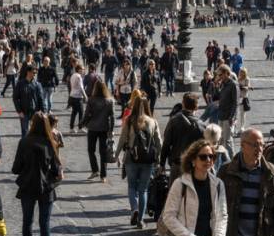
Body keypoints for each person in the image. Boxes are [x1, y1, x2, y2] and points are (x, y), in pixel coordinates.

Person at [12, 111, 63, 236]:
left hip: (27, 185)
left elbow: (16, 168)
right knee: (44, 221)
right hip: (46, 187)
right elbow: (55, 169)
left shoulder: (24, 142)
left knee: (27, 220)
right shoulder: (50, 142)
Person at [118, 95, 162, 228]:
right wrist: (159, 160)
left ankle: (134, 209)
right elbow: (159, 142)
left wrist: (116, 155)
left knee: (132, 187)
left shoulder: (130, 120)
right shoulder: (153, 121)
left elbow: (122, 138)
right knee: (143, 190)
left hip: (131, 158)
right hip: (147, 160)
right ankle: (141, 220)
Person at [160, 93, 206, 172]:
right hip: (193, 165)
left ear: (183, 104)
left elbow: (166, 144)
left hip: (177, 163)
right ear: (196, 107)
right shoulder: (201, 125)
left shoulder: (173, 121)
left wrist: (162, 163)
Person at [84, 80, 115, 182]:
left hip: (92, 128)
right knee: (103, 152)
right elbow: (112, 117)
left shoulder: (91, 100)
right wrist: (111, 129)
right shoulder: (110, 101)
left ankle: (95, 170)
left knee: (91, 150)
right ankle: (103, 175)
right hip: (104, 128)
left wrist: (82, 123)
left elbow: (87, 114)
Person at [13, 64, 45, 138]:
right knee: (25, 132)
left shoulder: (37, 84)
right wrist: (19, 111)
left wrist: (43, 112)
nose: (34, 75)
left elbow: (41, 99)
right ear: (28, 72)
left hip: (36, 112)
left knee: (36, 132)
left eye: (35, 73)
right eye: (33, 73)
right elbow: (15, 98)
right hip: (24, 112)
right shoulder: (20, 84)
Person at [216, 65, 239, 156]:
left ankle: (233, 162)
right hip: (221, 115)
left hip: (228, 117)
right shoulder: (223, 84)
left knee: (227, 141)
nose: (219, 77)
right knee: (220, 140)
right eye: (218, 75)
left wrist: (232, 117)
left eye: (220, 74)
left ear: (226, 73)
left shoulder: (233, 84)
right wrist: (217, 87)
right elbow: (218, 97)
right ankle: (222, 163)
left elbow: (235, 102)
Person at [68, 63, 87, 132]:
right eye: (82, 69)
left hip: (72, 96)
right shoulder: (79, 76)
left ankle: (71, 128)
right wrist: (85, 96)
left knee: (74, 113)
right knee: (81, 112)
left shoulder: (73, 75)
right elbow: (81, 88)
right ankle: (80, 128)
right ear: (79, 69)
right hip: (78, 97)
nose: (83, 70)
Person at [236, 68, 251, 132]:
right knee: (236, 113)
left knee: (242, 113)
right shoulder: (238, 79)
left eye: (242, 72)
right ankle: (236, 127)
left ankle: (242, 127)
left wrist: (243, 87)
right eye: (240, 72)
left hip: (243, 97)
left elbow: (248, 87)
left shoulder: (247, 79)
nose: (241, 73)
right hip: (237, 97)